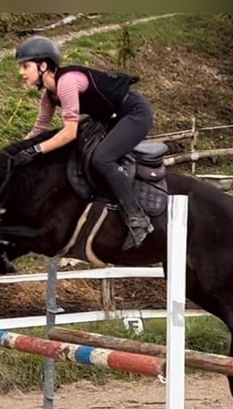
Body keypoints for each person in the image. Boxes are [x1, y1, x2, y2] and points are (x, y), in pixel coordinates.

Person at [13, 35, 154, 250]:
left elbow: (69, 133)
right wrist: (16, 152)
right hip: (111, 118)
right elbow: (39, 128)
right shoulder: (49, 96)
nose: (21, 73)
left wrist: (36, 150)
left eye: (25, 66)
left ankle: (138, 219)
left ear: (43, 66)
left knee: (102, 158)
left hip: (134, 113)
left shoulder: (67, 83)